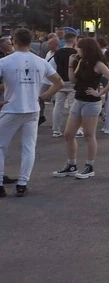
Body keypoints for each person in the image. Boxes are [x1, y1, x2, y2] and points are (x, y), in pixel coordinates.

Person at [0, 29, 65, 198]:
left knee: (1, 146)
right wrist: (42, 97)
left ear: (14, 41)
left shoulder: (5, 62)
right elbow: (59, 82)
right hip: (33, 108)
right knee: (28, 147)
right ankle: (22, 184)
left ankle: (0, 185)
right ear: (30, 42)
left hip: (11, 108)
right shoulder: (40, 62)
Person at [53, 37, 109, 179]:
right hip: (78, 99)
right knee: (68, 134)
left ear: (86, 49)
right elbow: (73, 80)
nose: (77, 50)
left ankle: (89, 166)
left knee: (89, 135)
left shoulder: (98, 64)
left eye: (79, 48)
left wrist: (100, 93)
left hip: (91, 102)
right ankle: (71, 165)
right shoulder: (82, 61)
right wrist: (71, 65)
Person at [51, 32, 78, 138]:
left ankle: (56, 130)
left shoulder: (57, 53)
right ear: (74, 40)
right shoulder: (76, 53)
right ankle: (75, 129)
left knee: (58, 106)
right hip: (72, 81)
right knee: (73, 106)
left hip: (60, 81)